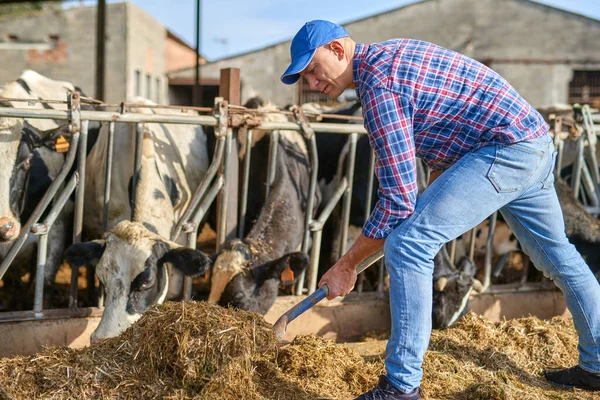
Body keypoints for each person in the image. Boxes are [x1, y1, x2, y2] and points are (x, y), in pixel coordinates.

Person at [280, 20, 600, 399]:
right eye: (305, 78)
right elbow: (446, 135)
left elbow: (399, 199)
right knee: (557, 255)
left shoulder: (379, 88)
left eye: (314, 70)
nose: (312, 84)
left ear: (337, 49)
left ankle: (401, 386)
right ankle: (597, 365)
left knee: (407, 244)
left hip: (505, 150)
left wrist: (347, 264)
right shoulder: (390, 55)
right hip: (532, 141)